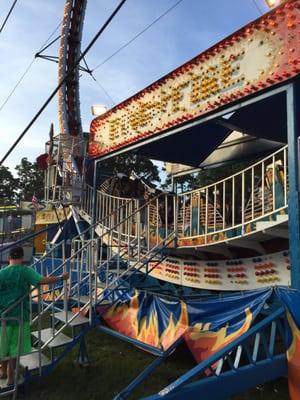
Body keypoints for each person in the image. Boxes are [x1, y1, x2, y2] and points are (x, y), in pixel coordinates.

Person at [0, 246, 69, 386]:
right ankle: (11, 377)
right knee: (15, 347)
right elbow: (41, 280)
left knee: (3, 344)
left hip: (3, 316)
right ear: (22, 258)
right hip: (20, 315)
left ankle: (3, 371)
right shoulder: (25, 271)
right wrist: (61, 277)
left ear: (9, 258)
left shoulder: (2, 273)